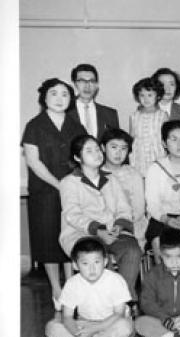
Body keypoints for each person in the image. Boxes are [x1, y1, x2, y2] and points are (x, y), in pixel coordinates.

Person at [22, 78, 87, 308]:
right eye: (54, 94)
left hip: (73, 189)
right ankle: (56, 289)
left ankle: (71, 284)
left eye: (65, 94)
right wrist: (60, 185)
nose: (59, 99)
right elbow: (33, 161)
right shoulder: (34, 125)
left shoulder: (76, 126)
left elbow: (85, 156)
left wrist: (73, 185)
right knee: (48, 238)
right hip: (45, 191)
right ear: (44, 98)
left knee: (70, 234)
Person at [59, 134, 142, 301]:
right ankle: (103, 303)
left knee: (133, 250)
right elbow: (72, 215)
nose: (97, 154)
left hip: (113, 232)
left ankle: (124, 299)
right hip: (82, 234)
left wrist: (119, 226)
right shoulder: (69, 182)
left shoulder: (111, 178)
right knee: (99, 258)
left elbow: (124, 207)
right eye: (89, 151)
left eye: (97, 149)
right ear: (77, 157)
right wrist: (98, 231)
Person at [43, 237, 133, 337]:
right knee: (52, 327)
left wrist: (95, 329)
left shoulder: (116, 280)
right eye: (85, 263)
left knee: (125, 327)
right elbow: (67, 317)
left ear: (105, 261)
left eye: (97, 262)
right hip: (85, 323)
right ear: (75, 265)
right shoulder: (72, 284)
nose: (92, 268)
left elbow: (119, 313)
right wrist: (79, 334)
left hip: (111, 322)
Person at [144, 120, 180, 259]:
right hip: (163, 218)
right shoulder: (155, 168)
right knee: (158, 238)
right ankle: (164, 277)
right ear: (164, 143)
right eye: (174, 139)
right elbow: (152, 203)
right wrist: (166, 219)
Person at [100, 128, 147, 250]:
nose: (118, 153)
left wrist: (121, 225)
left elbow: (139, 209)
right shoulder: (96, 174)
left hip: (131, 227)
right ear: (103, 148)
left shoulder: (133, 174)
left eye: (123, 148)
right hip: (103, 228)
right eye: (114, 147)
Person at [128, 77, 168, 177]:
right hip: (138, 156)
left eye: (150, 95)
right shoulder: (134, 116)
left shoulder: (163, 115)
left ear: (158, 96)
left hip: (157, 154)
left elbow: (166, 138)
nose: (146, 99)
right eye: (142, 95)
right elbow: (131, 137)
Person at [68, 63, 119, 139]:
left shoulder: (110, 114)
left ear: (96, 85)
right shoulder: (65, 112)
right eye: (82, 81)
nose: (87, 86)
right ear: (75, 84)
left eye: (92, 81)